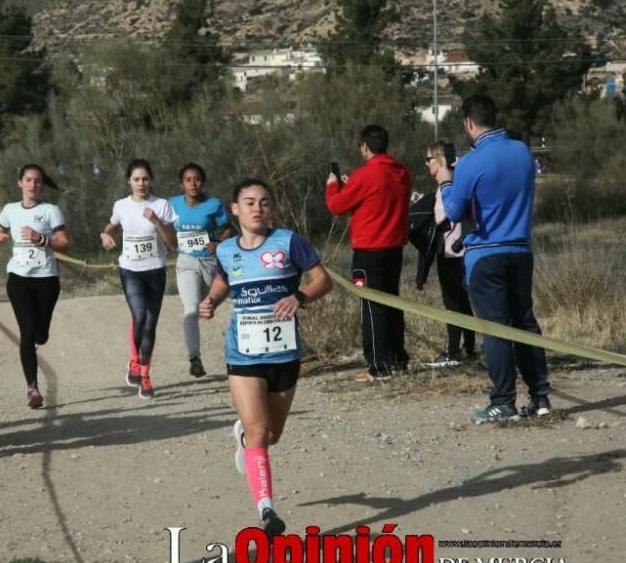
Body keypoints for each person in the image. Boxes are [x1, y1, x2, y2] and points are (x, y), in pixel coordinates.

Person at [200, 178, 332, 537]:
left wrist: (300, 297)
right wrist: (211, 300)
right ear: (235, 209)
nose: (258, 208)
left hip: (284, 352)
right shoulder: (226, 250)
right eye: (250, 202)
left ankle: (244, 434)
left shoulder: (289, 242)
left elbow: (323, 279)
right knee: (261, 430)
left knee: (270, 434)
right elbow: (224, 281)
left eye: (264, 202)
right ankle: (267, 511)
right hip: (242, 352)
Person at [435, 94, 551, 422]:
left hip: (486, 254)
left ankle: (503, 401)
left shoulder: (471, 162)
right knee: (525, 323)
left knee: (496, 329)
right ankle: (540, 397)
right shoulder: (523, 153)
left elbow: (455, 212)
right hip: (520, 249)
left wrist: (446, 183)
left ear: (468, 123)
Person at [325, 124, 413, 382]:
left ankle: (378, 364)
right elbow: (379, 195)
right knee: (392, 303)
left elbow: (336, 206)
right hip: (394, 249)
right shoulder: (402, 173)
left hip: (368, 251)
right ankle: (398, 358)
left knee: (371, 306)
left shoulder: (366, 175)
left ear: (364, 146)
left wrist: (333, 185)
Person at [0, 164, 70, 410]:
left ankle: (40, 337)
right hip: (18, 278)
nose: (33, 185)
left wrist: (42, 239)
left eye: (37, 181)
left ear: (42, 185)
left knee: (40, 333)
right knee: (27, 330)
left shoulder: (50, 211)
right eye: (28, 180)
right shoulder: (10, 210)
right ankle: (32, 387)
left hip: (46, 279)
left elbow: (65, 244)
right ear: (20, 183)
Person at [100, 160, 177, 400]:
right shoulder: (121, 206)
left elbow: (172, 244)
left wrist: (156, 221)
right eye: (136, 179)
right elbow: (110, 227)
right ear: (128, 181)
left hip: (155, 270)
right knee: (140, 316)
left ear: (151, 180)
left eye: (145, 179)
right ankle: (135, 361)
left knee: (150, 323)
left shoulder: (162, 205)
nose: (141, 183)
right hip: (130, 269)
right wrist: (105, 235)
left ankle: (145, 375)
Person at [167, 163, 233, 378]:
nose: (193, 183)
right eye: (188, 180)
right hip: (186, 262)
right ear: (182, 183)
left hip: (211, 263)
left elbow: (228, 229)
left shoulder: (214, 204)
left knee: (211, 307)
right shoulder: (172, 204)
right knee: (191, 309)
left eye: (197, 179)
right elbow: (161, 225)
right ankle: (194, 358)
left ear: (202, 182)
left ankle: (236, 354)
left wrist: (219, 243)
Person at [424, 142, 476, 367]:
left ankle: (454, 350)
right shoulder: (458, 179)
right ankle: (469, 348)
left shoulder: (448, 183)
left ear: (440, 160)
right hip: (457, 250)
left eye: (430, 159)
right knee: (463, 302)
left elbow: (445, 216)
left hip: (452, 251)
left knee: (453, 302)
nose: (426, 164)